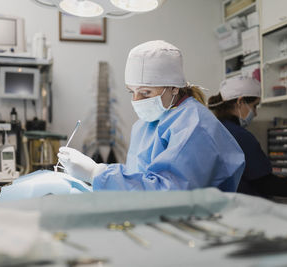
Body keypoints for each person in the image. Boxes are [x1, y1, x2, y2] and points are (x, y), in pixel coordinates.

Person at [58, 40, 245, 191]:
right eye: (131, 91)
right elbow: (138, 178)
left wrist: (96, 173)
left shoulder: (195, 126)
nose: (137, 100)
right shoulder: (146, 123)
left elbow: (168, 194)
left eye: (145, 93)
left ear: (173, 88)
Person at [208, 75, 287, 198]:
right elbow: (270, 186)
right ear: (240, 102)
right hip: (245, 209)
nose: (255, 113)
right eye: (255, 106)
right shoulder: (239, 136)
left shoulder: (215, 130)